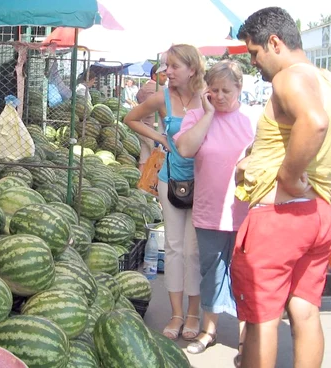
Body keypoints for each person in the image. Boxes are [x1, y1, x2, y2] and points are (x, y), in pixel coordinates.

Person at [233, 7, 331, 368]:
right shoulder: (330, 83)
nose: (254, 63)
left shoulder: (289, 78)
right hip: (318, 217)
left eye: (254, 53)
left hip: (278, 219)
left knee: (261, 321)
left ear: (275, 42)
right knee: (306, 312)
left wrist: (287, 176)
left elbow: (313, 124)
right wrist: (326, 212)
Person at [124, 44, 206, 341]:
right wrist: (159, 137)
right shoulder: (163, 99)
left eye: (173, 66)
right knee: (173, 247)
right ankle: (176, 314)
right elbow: (131, 118)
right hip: (170, 180)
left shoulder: (208, 96)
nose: (167, 72)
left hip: (204, 183)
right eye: (166, 66)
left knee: (193, 250)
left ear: (192, 69)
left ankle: (194, 313)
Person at [174, 60, 254, 363]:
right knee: (211, 273)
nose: (219, 96)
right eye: (214, 90)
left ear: (239, 89)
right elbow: (185, 149)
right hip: (209, 210)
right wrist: (208, 115)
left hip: (245, 211)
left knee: (244, 275)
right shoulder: (196, 115)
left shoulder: (251, 119)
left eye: (226, 91)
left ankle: (247, 337)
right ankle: (209, 330)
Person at [135, 63, 169, 170]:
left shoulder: (143, 88)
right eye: (163, 76)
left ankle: (141, 183)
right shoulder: (159, 89)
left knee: (144, 158)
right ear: (154, 76)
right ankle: (151, 185)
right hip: (154, 129)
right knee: (155, 159)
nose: (166, 78)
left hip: (142, 127)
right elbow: (163, 111)